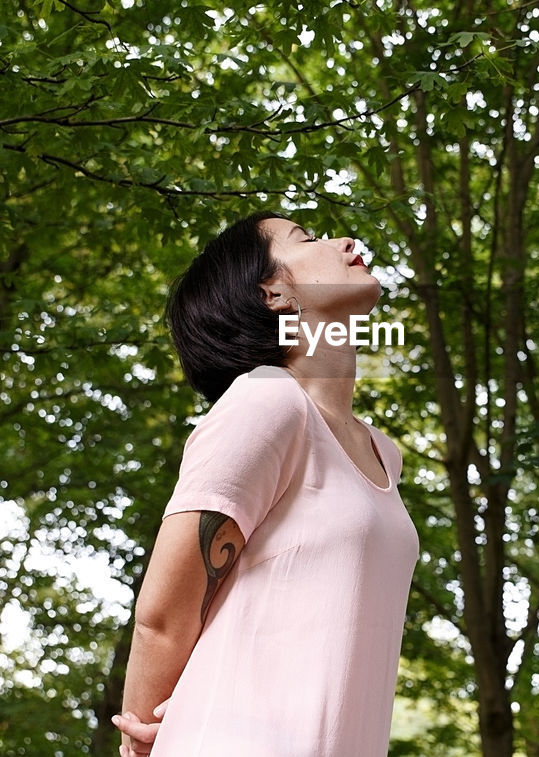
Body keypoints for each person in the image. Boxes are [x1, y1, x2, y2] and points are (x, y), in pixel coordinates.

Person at [111, 211, 419, 756]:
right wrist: (139, 744)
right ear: (273, 292)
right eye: (307, 238)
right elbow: (163, 616)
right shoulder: (268, 399)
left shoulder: (383, 454)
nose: (343, 241)